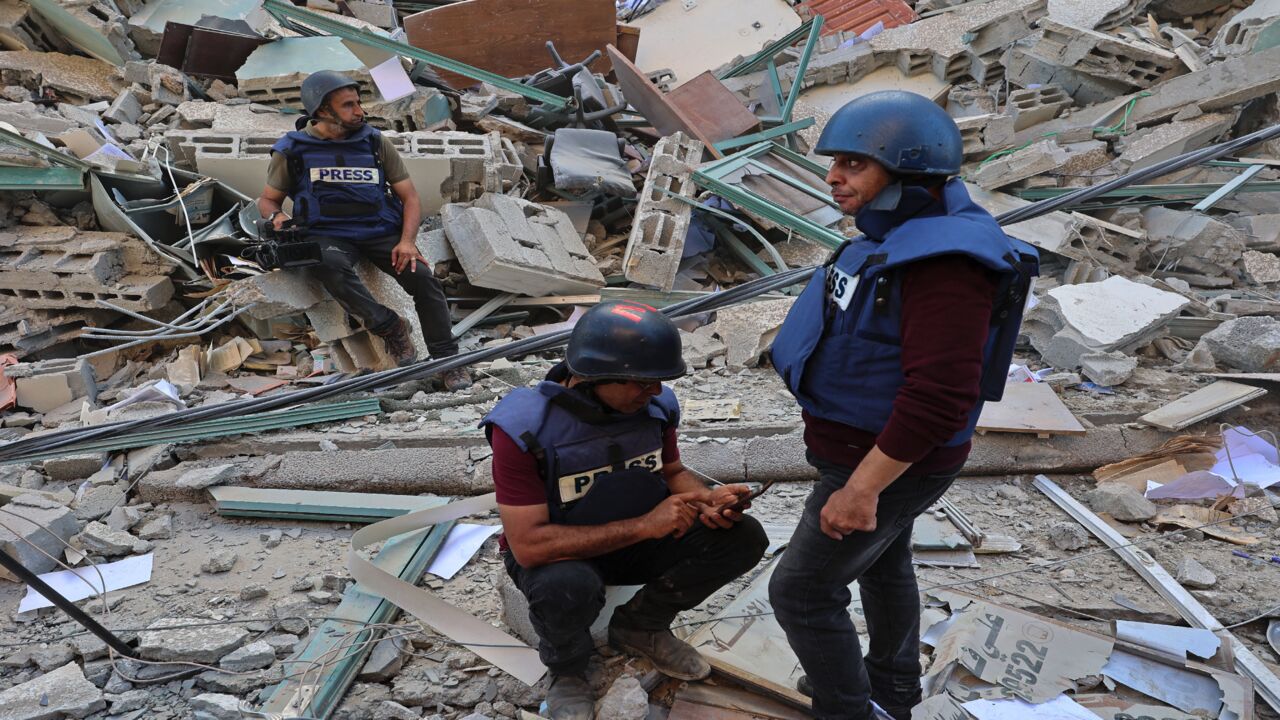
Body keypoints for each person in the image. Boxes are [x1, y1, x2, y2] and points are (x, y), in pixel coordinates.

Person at [767, 91, 1040, 720]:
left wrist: (861, 490)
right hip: (866, 451)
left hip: (884, 462)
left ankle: (847, 710)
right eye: (835, 161)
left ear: (910, 170)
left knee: (803, 591)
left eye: (855, 164)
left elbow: (940, 398)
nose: (833, 176)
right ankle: (891, 688)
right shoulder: (903, 238)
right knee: (883, 565)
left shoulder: (943, 264)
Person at [482, 301, 769, 720]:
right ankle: (568, 669)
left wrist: (707, 497)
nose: (655, 392)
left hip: (637, 541)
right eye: (642, 382)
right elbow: (528, 546)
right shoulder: (524, 430)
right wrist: (647, 525)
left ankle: (640, 625)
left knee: (744, 537)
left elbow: (671, 472)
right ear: (594, 376)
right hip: (560, 552)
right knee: (565, 585)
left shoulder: (653, 408)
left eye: (659, 382)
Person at [256, 70, 470, 390]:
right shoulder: (292, 149)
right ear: (322, 111)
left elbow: (410, 197)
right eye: (348, 105)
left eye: (358, 103)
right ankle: (388, 327)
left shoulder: (373, 141)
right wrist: (277, 219)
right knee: (328, 265)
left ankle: (447, 361)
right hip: (328, 233)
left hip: (380, 229)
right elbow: (268, 200)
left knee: (425, 281)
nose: (359, 111)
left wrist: (408, 242)